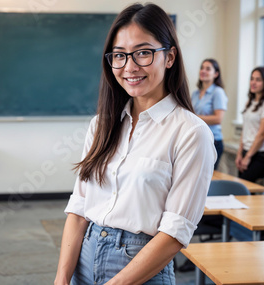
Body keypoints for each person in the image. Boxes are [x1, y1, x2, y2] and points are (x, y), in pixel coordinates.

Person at [54, 3, 216, 285]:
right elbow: (79, 210)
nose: (129, 67)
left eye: (143, 53)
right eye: (119, 55)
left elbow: (175, 232)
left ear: (169, 57)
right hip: (83, 258)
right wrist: (61, 278)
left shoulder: (191, 132)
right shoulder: (101, 125)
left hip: (142, 267)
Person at [235, 67, 264, 182]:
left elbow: (262, 134)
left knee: (243, 186)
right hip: (246, 151)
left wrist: (248, 157)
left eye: (258, 80)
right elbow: (245, 130)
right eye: (252, 79)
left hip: (261, 155)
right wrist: (240, 154)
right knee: (244, 192)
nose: (253, 82)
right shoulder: (250, 102)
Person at [191, 58, 227, 170]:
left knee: (207, 177)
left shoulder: (218, 92)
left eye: (208, 69)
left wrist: (194, 118)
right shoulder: (195, 93)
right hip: (198, 139)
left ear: (216, 74)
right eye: (202, 68)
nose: (203, 71)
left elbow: (218, 118)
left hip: (213, 141)